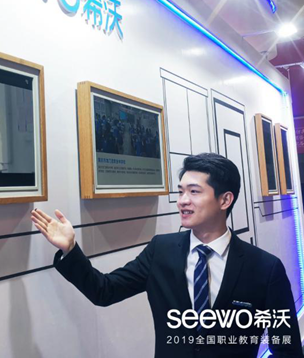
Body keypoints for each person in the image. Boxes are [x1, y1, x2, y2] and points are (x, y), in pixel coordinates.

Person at [31, 153, 302, 357]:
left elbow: (286, 347)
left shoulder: (265, 268)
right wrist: (70, 249)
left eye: (194, 192)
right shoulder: (160, 250)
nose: (182, 201)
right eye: (181, 191)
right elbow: (104, 290)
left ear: (225, 200)